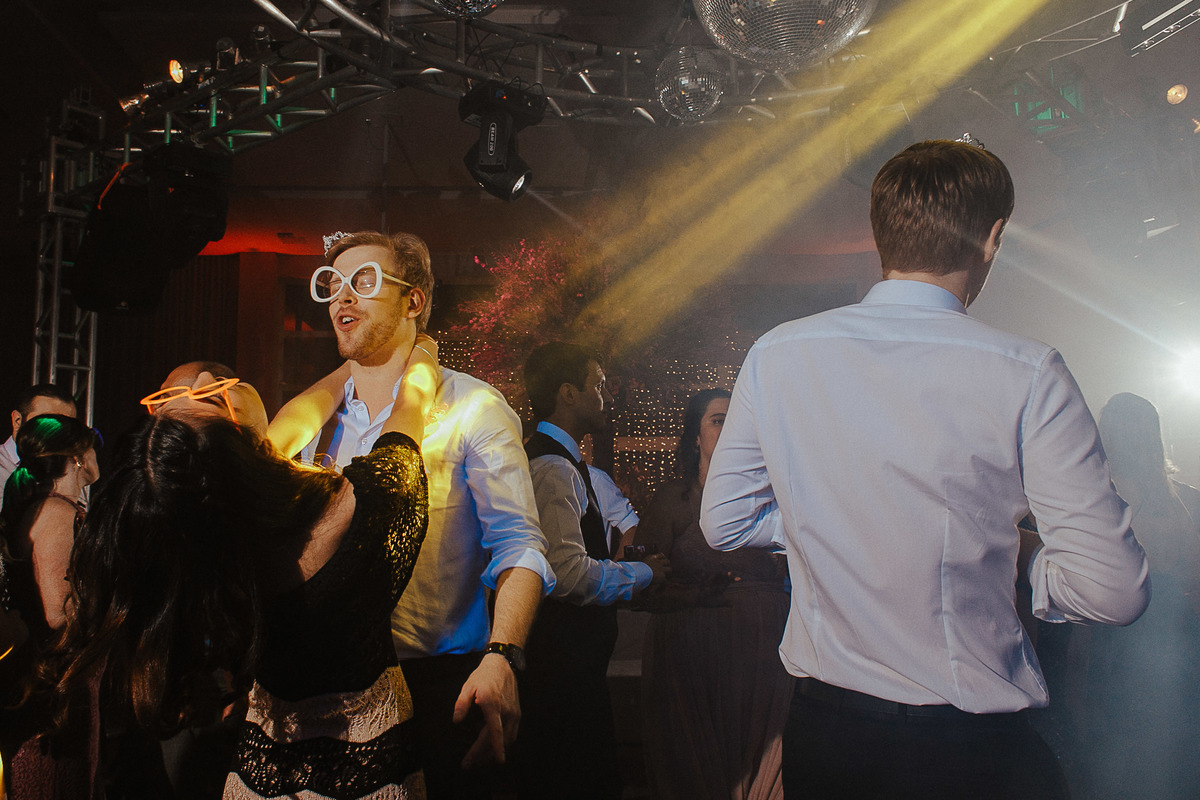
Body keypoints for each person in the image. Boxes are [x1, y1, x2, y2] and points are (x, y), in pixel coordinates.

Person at [700, 139, 1151, 799]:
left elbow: (726, 523)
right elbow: (1114, 592)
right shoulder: (1027, 371)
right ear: (992, 237)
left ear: (881, 234)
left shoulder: (779, 353)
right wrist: (1022, 555)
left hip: (825, 738)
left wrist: (837, 524)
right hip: (965, 751)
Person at [44, 341, 437, 799]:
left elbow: (298, 418)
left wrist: (351, 365)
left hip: (258, 773)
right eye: (212, 400)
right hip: (366, 769)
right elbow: (411, 407)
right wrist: (422, 351)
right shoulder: (359, 507)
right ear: (244, 452)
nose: (205, 379)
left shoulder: (214, 539)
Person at [268, 230, 553, 799]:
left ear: (413, 301)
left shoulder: (473, 406)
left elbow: (519, 544)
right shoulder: (311, 422)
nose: (343, 297)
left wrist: (502, 656)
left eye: (364, 281)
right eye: (333, 285)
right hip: (321, 689)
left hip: (432, 687)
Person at [515, 342, 669, 800]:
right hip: (562, 678)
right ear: (568, 393)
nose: (607, 397)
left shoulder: (561, 463)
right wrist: (644, 573)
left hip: (571, 674)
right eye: (598, 386)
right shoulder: (552, 468)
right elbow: (567, 575)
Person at [635, 388, 791, 800]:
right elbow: (639, 589)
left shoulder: (775, 500)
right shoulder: (674, 501)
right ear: (695, 437)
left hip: (765, 664)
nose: (730, 427)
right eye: (719, 420)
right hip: (692, 664)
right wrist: (694, 597)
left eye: (736, 420)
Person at [1071, 392, 1200, 799]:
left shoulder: (1095, 498)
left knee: (1108, 764)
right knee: (1164, 763)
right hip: (1173, 650)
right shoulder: (1188, 501)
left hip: (1112, 645)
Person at [0, 414, 99, 769]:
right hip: (55, 683)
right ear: (77, 458)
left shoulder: (50, 507)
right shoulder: (57, 512)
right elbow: (58, 612)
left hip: (55, 678)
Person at [1, 385, 78, 506]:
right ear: (17, 421)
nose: (56, 432)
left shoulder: (70, 469)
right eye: (46, 423)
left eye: (67, 427)